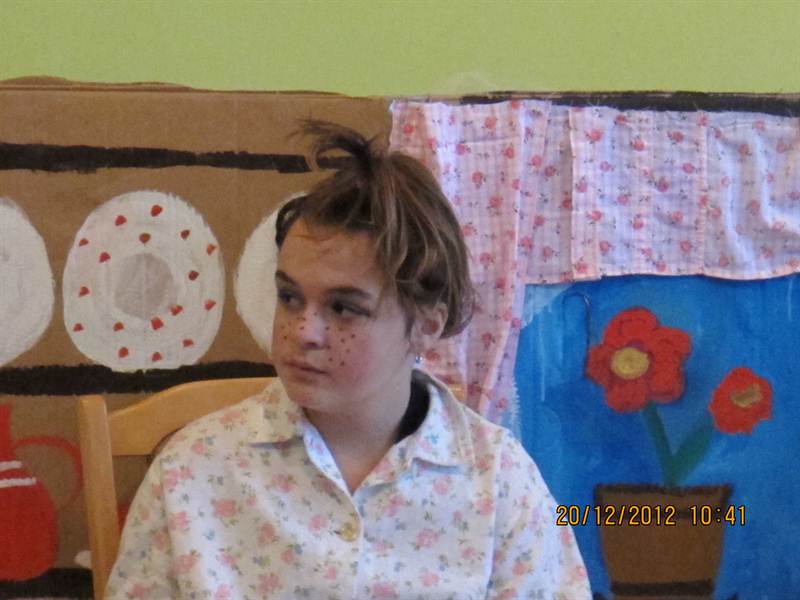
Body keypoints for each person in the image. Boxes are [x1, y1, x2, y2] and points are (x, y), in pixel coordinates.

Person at [105, 121, 591, 599]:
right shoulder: (192, 472)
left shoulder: (500, 484)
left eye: (344, 308)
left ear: (426, 325)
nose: (303, 332)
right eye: (289, 297)